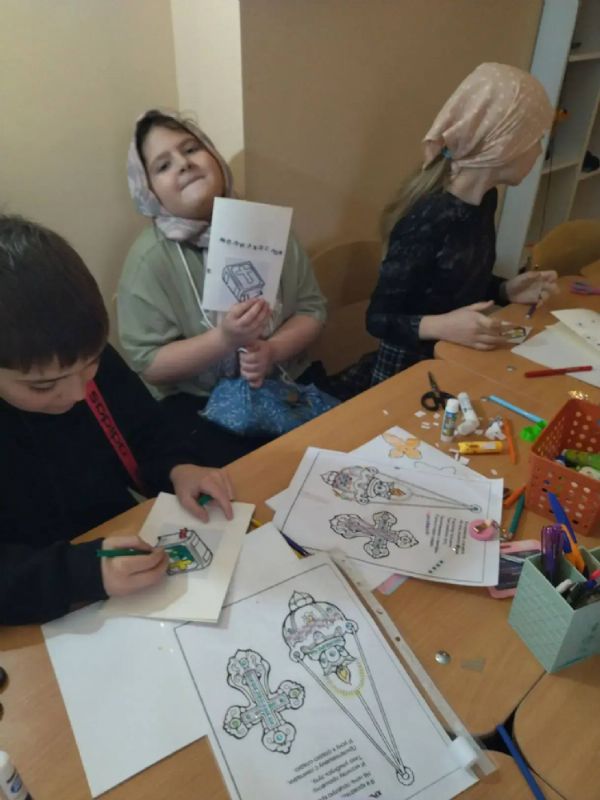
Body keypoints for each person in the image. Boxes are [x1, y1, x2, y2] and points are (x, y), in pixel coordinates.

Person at [0, 215, 233, 625]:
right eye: (43, 386)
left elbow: (147, 430)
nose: (78, 393)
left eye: (90, 365)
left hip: (126, 557)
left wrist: (180, 467)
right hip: (41, 608)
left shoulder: (78, 353)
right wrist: (81, 574)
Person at [118, 110, 327, 466]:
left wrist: (272, 350)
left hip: (287, 381)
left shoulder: (267, 230)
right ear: (148, 192)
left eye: (191, 149)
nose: (183, 164)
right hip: (200, 406)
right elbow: (149, 363)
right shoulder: (149, 260)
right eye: (163, 165)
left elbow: (312, 309)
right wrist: (224, 340)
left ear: (214, 156)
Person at [366, 63, 559, 385]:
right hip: (407, 371)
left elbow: (449, 284)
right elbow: (378, 319)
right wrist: (442, 326)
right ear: (503, 144)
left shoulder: (484, 200)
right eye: (535, 138)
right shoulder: (429, 216)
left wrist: (504, 289)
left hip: (454, 356)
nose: (540, 151)